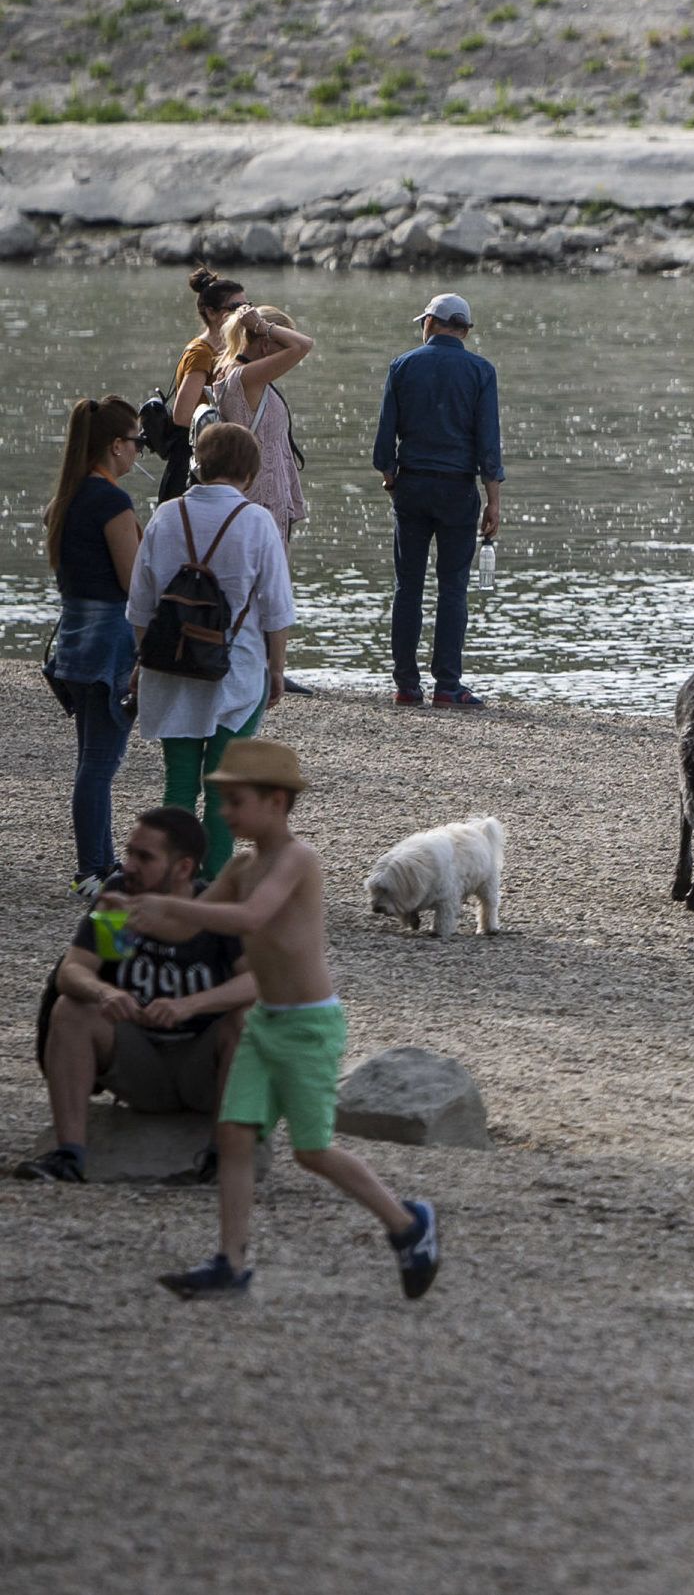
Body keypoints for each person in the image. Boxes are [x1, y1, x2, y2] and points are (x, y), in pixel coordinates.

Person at [119, 740, 439, 1301]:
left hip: (309, 1026)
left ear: (276, 802)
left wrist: (171, 905)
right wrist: (132, 917)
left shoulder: (297, 859)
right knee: (235, 1134)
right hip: (266, 1021)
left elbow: (249, 916)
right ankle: (230, 1263)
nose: (224, 813)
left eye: (235, 801)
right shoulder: (242, 865)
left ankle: (408, 1223)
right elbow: (191, 930)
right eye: (222, 801)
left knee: (313, 1150)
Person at [15, 808, 256, 1184]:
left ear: (183, 868)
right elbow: (74, 969)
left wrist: (189, 1005)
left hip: (203, 1070)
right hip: (137, 1061)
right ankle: (69, 1156)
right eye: (129, 853)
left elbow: (258, 982)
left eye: (144, 857)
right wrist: (104, 991)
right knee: (73, 1009)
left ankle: (221, 1159)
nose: (128, 865)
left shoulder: (214, 910)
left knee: (249, 1019)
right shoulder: (120, 899)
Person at [128, 423, 293, 879]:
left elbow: (140, 605)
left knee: (179, 782)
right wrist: (275, 670)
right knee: (223, 790)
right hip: (235, 671)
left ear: (199, 463)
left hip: (170, 669)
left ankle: (167, 879)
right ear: (250, 471)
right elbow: (277, 609)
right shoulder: (256, 521)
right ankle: (213, 884)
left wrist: (147, 660)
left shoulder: (166, 516)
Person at [370, 291, 502, 710]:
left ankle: (407, 686)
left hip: (411, 486)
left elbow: (383, 438)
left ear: (431, 323)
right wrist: (492, 501)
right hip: (458, 490)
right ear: (463, 329)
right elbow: (488, 443)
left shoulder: (403, 365)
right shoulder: (481, 371)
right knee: (453, 588)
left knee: (407, 586)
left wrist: (391, 476)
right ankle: (447, 685)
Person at [43, 395, 144, 887]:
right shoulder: (112, 502)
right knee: (100, 765)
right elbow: (132, 582)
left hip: (73, 642)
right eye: (137, 443)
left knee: (91, 760)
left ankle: (103, 862)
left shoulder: (65, 499)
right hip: (109, 648)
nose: (139, 453)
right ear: (115, 446)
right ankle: (91, 869)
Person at [203, 301, 315, 695]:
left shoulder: (242, 375)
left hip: (270, 492)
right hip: (260, 496)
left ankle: (265, 662)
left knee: (265, 581)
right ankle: (270, 669)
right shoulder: (244, 377)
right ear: (266, 342)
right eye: (272, 338)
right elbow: (303, 346)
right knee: (268, 584)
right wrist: (265, 326)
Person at [159, 270, 248, 502]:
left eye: (247, 306)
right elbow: (182, 415)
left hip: (215, 456)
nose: (244, 313)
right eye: (235, 307)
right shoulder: (202, 353)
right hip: (193, 458)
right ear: (211, 312)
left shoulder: (232, 349)